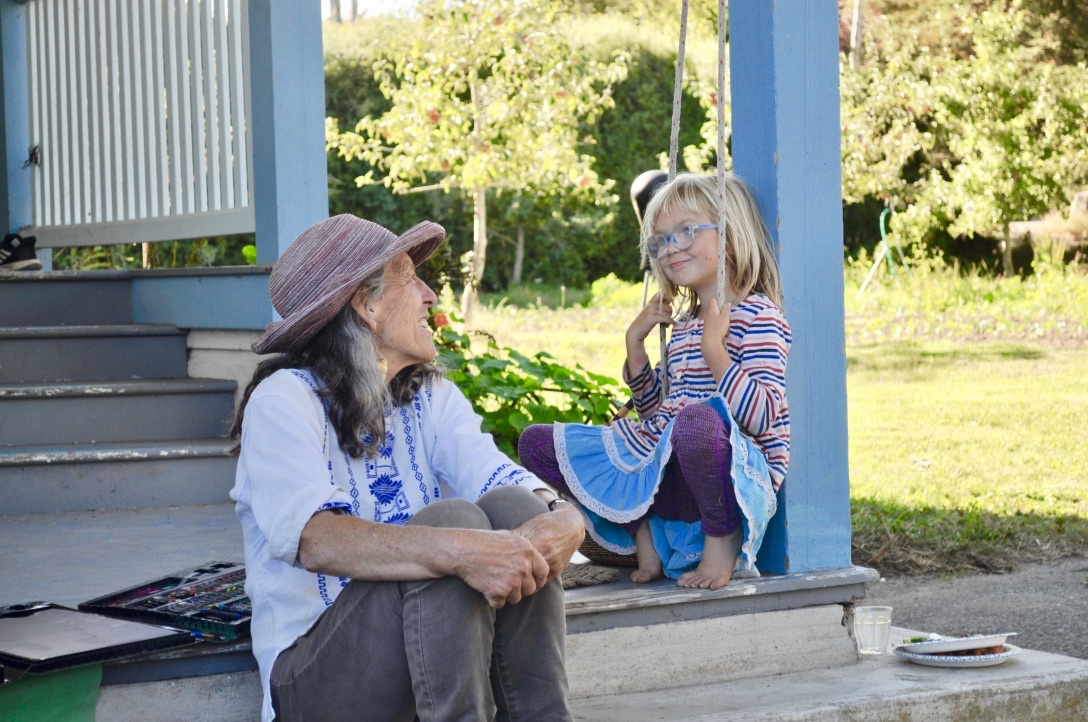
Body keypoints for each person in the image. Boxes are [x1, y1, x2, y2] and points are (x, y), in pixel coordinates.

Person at [229, 214, 585, 722]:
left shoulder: (429, 396)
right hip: (315, 679)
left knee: (513, 507)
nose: (429, 294)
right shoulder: (283, 401)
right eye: (408, 277)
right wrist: (457, 551)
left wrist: (562, 517)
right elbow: (316, 540)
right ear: (368, 305)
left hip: (424, 651)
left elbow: (499, 476)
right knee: (452, 527)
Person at [519, 173, 790, 591]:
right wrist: (635, 345)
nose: (670, 248)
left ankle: (723, 538)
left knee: (696, 422)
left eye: (685, 232)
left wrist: (714, 350)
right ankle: (641, 530)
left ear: (731, 237)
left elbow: (763, 417)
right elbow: (654, 414)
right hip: (672, 476)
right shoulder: (683, 325)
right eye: (660, 240)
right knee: (536, 442)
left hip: (732, 480)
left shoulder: (758, 315)